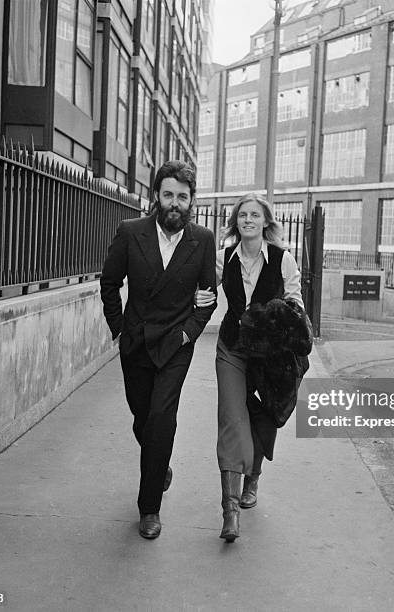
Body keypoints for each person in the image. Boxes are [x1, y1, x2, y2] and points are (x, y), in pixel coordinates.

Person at [100, 160, 217, 539]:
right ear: (156, 196)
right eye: (168, 194)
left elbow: (208, 298)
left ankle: (149, 508)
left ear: (191, 201)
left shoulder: (202, 239)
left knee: (162, 418)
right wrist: (119, 328)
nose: (175, 203)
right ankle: (159, 463)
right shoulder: (131, 232)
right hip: (135, 343)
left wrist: (190, 333)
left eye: (183, 197)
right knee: (142, 419)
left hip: (175, 346)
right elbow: (110, 281)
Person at [196, 193, 309, 543]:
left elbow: (296, 304)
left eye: (254, 215)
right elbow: (202, 293)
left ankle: (253, 476)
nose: (248, 220)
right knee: (232, 417)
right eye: (242, 215)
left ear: (265, 222)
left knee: (264, 416)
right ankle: (229, 510)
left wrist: (284, 317)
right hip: (232, 348)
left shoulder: (282, 258)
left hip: (270, 355)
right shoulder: (222, 259)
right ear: (236, 221)